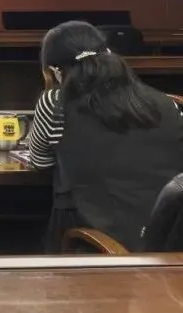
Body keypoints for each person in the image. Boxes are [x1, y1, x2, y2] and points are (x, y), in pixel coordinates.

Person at [26, 21, 183, 252]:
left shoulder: (55, 102)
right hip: (170, 242)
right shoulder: (167, 103)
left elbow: (40, 162)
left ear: (56, 70)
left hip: (101, 244)